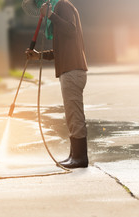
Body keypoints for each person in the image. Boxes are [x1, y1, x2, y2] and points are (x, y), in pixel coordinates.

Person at [26, 0, 88, 168]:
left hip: (72, 70)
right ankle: (74, 155)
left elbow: (71, 30)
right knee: (71, 116)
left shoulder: (63, 6)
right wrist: (38, 56)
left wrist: (51, 15)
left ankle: (80, 158)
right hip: (69, 70)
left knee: (74, 116)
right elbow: (59, 51)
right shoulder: (61, 11)